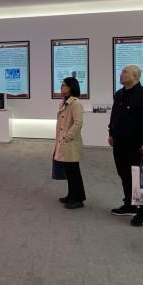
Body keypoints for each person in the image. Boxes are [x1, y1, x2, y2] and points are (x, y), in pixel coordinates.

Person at [108, 65, 143, 227]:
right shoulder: (119, 94)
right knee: (124, 174)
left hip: (137, 145)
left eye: (125, 72)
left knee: (140, 178)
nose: (121, 74)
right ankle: (130, 204)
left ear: (135, 76)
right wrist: (111, 133)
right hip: (120, 143)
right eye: (121, 72)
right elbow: (114, 116)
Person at [54, 77, 87, 209]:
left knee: (73, 171)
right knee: (69, 171)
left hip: (70, 143)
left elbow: (78, 123)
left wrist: (67, 136)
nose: (61, 87)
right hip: (64, 142)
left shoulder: (75, 103)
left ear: (70, 87)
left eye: (63, 85)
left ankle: (77, 199)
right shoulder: (64, 102)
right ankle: (72, 195)